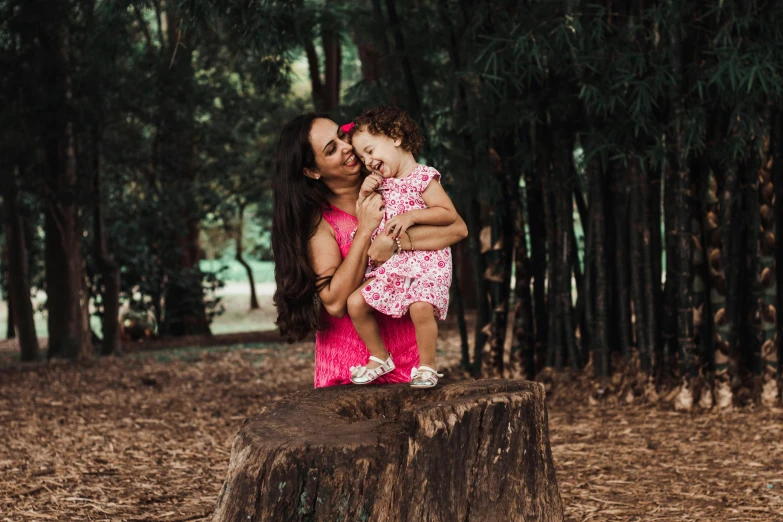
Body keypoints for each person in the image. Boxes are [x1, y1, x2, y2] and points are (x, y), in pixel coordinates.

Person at [271, 113, 468, 388]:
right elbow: (335, 303)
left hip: (412, 362)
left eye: (342, 136)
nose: (347, 147)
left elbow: (457, 229)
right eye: (331, 149)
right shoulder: (321, 222)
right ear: (313, 171)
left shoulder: (393, 182)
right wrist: (365, 232)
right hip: (354, 368)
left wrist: (395, 243)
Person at [344, 106, 455, 388]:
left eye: (370, 150)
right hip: (395, 262)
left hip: (428, 262)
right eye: (361, 157)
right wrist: (365, 192)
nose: (367, 161)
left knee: (421, 308)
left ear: (395, 136)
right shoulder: (383, 183)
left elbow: (447, 214)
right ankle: (381, 356)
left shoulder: (422, 177)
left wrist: (413, 215)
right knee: (355, 303)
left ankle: (428, 366)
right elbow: (365, 216)